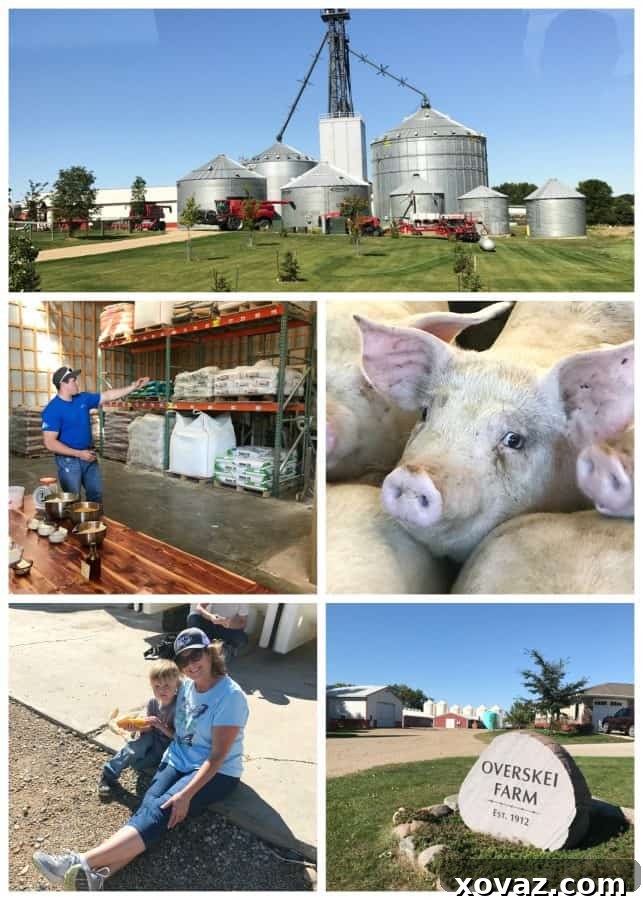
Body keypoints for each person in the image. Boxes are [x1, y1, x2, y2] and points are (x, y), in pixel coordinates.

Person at [33, 628, 249, 891]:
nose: (190, 665)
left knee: (163, 810)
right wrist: (147, 724)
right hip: (179, 757)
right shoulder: (189, 686)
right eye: (183, 660)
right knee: (149, 808)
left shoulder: (230, 696)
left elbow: (216, 756)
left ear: (210, 652)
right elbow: (176, 721)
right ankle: (98, 877)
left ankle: (77, 862)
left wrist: (187, 794)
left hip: (217, 772)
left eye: (196, 655)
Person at [41, 366, 151, 505]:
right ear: (63, 384)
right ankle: (75, 526)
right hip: (69, 461)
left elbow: (108, 395)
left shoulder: (83, 399)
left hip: (89, 455)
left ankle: (96, 525)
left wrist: (134, 386)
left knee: (96, 495)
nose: (77, 383)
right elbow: (50, 443)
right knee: (72, 501)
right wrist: (78, 454)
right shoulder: (52, 410)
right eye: (73, 381)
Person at [99, 659, 181, 798]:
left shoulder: (179, 706)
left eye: (167, 685)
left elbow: (177, 737)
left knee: (138, 765)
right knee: (135, 746)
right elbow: (148, 728)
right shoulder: (153, 703)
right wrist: (137, 728)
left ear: (177, 685)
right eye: (157, 686)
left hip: (167, 746)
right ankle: (108, 774)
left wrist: (160, 725)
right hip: (151, 738)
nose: (161, 690)